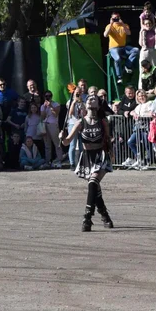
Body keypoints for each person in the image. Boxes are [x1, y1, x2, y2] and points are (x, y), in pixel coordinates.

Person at [60, 93, 114, 232]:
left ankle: (87, 217)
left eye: (94, 99)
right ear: (85, 104)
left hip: (100, 155)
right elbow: (67, 142)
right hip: (86, 157)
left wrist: (111, 154)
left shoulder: (103, 121)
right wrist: (62, 136)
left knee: (92, 182)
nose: (91, 100)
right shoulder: (80, 122)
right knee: (95, 189)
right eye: (89, 98)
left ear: (97, 104)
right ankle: (105, 215)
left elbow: (107, 139)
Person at [106, 12, 138, 81]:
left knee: (136, 50)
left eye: (117, 18)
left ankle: (127, 65)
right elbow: (105, 35)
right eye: (114, 18)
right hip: (113, 48)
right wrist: (111, 23)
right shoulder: (109, 26)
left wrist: (122, 24)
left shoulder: (125, 25)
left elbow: (129, 33)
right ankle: (119, 76)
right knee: (117, 59)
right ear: (111, 18)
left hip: (123, 47)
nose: (116, 19)